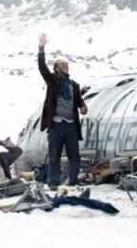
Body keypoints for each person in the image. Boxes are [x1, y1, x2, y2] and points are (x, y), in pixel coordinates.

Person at [37, 33, 87, 188]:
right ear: (56, 68)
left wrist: (83, 107)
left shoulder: (73, 85)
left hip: (71, 125)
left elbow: (79, 101)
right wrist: (41, 48)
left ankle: (73, 181)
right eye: (62, 63)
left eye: (67, 63)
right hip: (56, 124)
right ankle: (53, 183)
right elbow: (42, 67)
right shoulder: (52, 80)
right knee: (54, 156)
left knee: (74, 156)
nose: (66, 65)